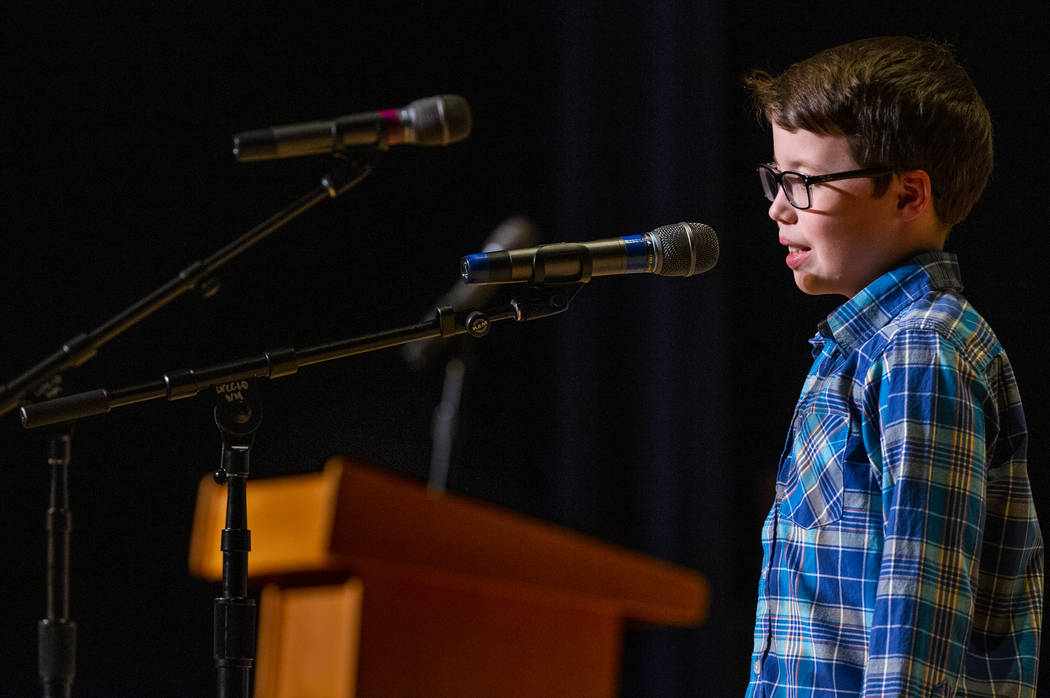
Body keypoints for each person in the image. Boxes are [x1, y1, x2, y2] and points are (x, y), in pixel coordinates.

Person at [743, 36, 1043, 696]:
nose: (778, 207)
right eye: (775, 178)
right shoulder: (863, 348)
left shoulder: (919, 351)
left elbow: (919, 617)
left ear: (909, 195)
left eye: (802, 181)